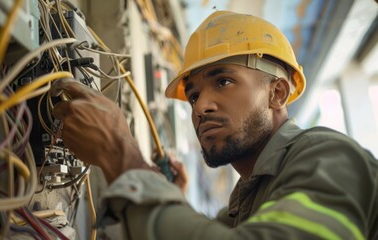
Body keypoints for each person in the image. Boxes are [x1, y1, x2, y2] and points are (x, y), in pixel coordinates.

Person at [52, 11, 378, 240]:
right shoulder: (245, 200)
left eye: (223, 81)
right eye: (193, 96)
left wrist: (121, 155)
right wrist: (168, 197)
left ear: (277, 93)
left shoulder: (329, 156)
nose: (201, 106)